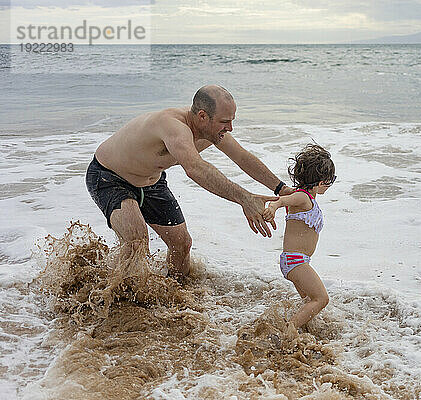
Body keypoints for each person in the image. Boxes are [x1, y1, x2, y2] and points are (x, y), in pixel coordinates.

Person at [86, 85, 293, 278]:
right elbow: (195, 169)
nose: (230, 128)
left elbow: (242, 157)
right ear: (202, 116)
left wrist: (281, 188)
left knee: (182, 244)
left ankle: (175, 296)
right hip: (110, 177)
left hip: (152, 182)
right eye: (224, 121)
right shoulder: (173, 127)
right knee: (136, 240)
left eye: (232, 120)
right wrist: (244, 198)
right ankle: (117, 303)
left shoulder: (212, 131)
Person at [262, 144, 336, 328]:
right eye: (330, 179)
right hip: (296, 262)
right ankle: (287, 332)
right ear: (321, 182)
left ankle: (301, 331)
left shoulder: (307, 199)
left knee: (308, 302)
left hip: (298, 261)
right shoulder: (302, 197)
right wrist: (272, 207)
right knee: (321, 299)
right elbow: (282, 200)